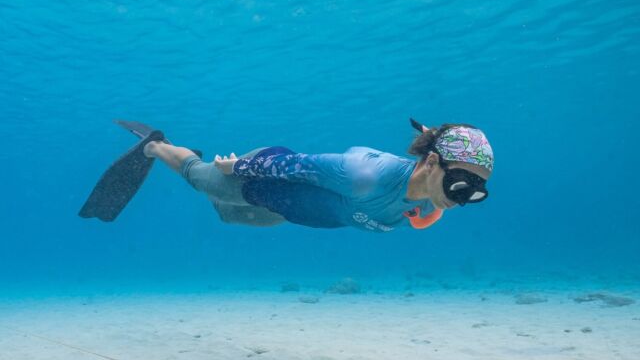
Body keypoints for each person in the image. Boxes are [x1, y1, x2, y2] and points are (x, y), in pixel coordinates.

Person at [142, 119, 494, 233]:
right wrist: (233, 168)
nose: (462, 198)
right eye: (460, 186)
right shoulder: (365, 176)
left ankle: (218, 197)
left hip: (287, 209)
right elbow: (296, 165)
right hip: (265, 177)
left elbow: (435, 201)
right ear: (431, 163)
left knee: (227, 215)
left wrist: (439, 202)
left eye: (475, 193)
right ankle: (157, 146)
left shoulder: (436, 192)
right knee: (203, 180)